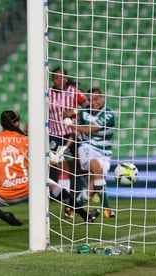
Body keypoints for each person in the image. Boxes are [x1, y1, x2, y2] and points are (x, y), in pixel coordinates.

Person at [0, 109, 100, 226]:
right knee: (52, 185)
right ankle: (85, 215)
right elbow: (50, 162)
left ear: (1, 124)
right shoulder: (27, 140)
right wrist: (60, 158)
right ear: (17, 123)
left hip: (4, 195)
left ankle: (4, 216)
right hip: (30, 189)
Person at [65, 87, 116, 218]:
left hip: (104, 152)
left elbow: (90, 129)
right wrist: (67, 145)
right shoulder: (84, 112)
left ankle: (71, 208)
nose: (93, 102)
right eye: (90, 100)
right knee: (97, 171)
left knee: (93, 188)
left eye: (96, 99)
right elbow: (78, 131)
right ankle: (107, 209)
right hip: (86, 148)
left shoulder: (109, 114)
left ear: (103, 98)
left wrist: (71, 124)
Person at [48, 67, 90, 218]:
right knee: (63, 167)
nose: (59, 80)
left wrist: (75, 112)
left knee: (81, 167)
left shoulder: (74, 91)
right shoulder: (48, 94)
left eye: (62, 77)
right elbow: (44, 111)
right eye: (56, 78)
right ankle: (68, 205)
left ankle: (88, 188)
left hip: (73, 133)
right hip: (55, 135)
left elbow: (89, 107)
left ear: (66, 78)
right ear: (53, 80)